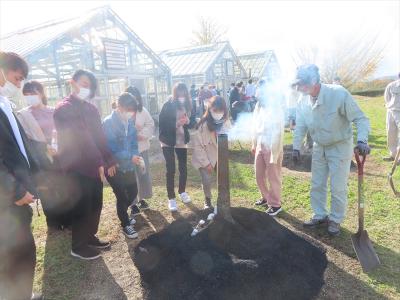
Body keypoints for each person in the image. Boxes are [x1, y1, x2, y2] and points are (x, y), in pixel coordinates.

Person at [292, 64, 370, 236]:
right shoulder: (302, 100)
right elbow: (301, 126)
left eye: (301, 83)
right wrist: (296, 147)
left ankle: (335, 219)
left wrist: (362, 140)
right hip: (319, 146)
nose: (298, 88)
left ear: (313, 81)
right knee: (317, 183)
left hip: (339, 145)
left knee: (337, 186)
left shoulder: (338, 94)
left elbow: (361, 118)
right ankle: (320, 214)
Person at [54, 69, 117, 260]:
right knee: (82, 205)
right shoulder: (64, 109)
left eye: (89, 86)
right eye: (83, 83)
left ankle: (90, 236)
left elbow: (99, 137)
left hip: (95, 166)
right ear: (72, 82)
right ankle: (78, 246)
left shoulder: (91, 109)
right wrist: (99, 162)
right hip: (77, 167)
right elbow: (81, 138)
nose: (86, 88)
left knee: (95, 203)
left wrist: (109, 159)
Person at [0, 52, 42, 300]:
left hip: (15, 195)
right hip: (7, 200)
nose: (19, 85)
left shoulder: (5, 105)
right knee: (18, 254)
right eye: (17, 78)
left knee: (21, 252)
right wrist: (15, 191)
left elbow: (18, 146)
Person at [17, 80, 71, 230]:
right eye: (26, 94)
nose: (30, 97)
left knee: (62, 187)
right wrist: (43, 148)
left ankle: (67, 219)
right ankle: (53, 222)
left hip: (57, 155)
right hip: (39, 159)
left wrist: (58, 147)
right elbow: (25, 142)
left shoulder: (53, 111)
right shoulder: (23, 115)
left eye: (33, 93)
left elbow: (63, 132)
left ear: (41, 93)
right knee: (47, 190)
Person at [103, 92, 142, 239]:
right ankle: (125, 224)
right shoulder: (108, 123)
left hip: (129, 166)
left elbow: (133, 143)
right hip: (114, 166)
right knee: (121, 195)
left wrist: (135, 154)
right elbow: (110, 148)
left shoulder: (130, 123)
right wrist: (129, 156)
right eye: (129, 109)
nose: (131, 113)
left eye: (133, 110)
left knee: (133, 192)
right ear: (119, 106)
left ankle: (123, 214)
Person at [252, 80, 285, 216]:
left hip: (272, 144)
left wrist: (273, 151)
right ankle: (265, 197)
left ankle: (275, 205)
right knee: (259, 174)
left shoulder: (276, 106)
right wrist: (254, 143)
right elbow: (254, 124)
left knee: (273, 176)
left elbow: (278, 129)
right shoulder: (259, 105)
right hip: (260, 142)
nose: (258, 93)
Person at [159, 82, 193, 212]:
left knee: (183, 167)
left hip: (181, 140)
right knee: (171, 168)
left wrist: (188, 122)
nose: (182, 96)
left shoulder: (188, 104)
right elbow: (162, 124)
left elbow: (192, 120)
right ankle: (171, 198)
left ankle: (182, 191)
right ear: (175, 93)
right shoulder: (168, 105)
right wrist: (177, 123)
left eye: (184, 93)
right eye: (179, 93)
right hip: (168, 140)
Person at [192, 96, 230, 209]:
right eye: (215, 110)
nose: (218, 113)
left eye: (220, 111)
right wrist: (206, 163)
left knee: (223, 178)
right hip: (205, 156)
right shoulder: (203, 125)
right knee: (206, 180)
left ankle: (222, 199)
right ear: (210, 110)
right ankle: (207, 200)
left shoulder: (226, 122)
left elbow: (230, 141)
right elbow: (198, 147)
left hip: (220, 155)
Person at [125, 86, 154, 215]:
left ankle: (142, 199)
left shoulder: (143, 111)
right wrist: (131, 133)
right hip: (128, 152)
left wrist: (142, 134)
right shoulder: (122, 112)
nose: (134, 101)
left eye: (135, 98)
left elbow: (151, 124)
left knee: (143, 174)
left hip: (142, 148)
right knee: (131, 177)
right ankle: (133, 203)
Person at [383, 73, 400, 161]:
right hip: (391, 111)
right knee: (391, 133)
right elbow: (387, 98)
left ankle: (399, 157)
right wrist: (389, 106)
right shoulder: (391, 85)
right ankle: (393, 155)